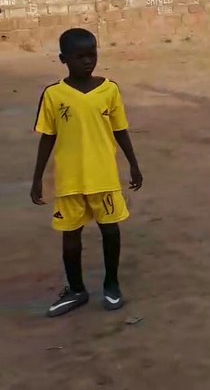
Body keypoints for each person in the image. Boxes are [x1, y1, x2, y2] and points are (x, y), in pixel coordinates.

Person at [30, 28, 144, 317]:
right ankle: (77, 289)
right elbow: (48, 137)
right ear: (63, 59)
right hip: (69, 180)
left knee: (110, 231)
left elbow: (120, 129)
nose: (87, 61)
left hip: (104, 177)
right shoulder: (54, 94)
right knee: (70, 236)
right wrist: (37, 179)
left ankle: (112, 283)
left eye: (92, 55)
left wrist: (133, 163)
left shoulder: (110, 90)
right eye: (79, 56)